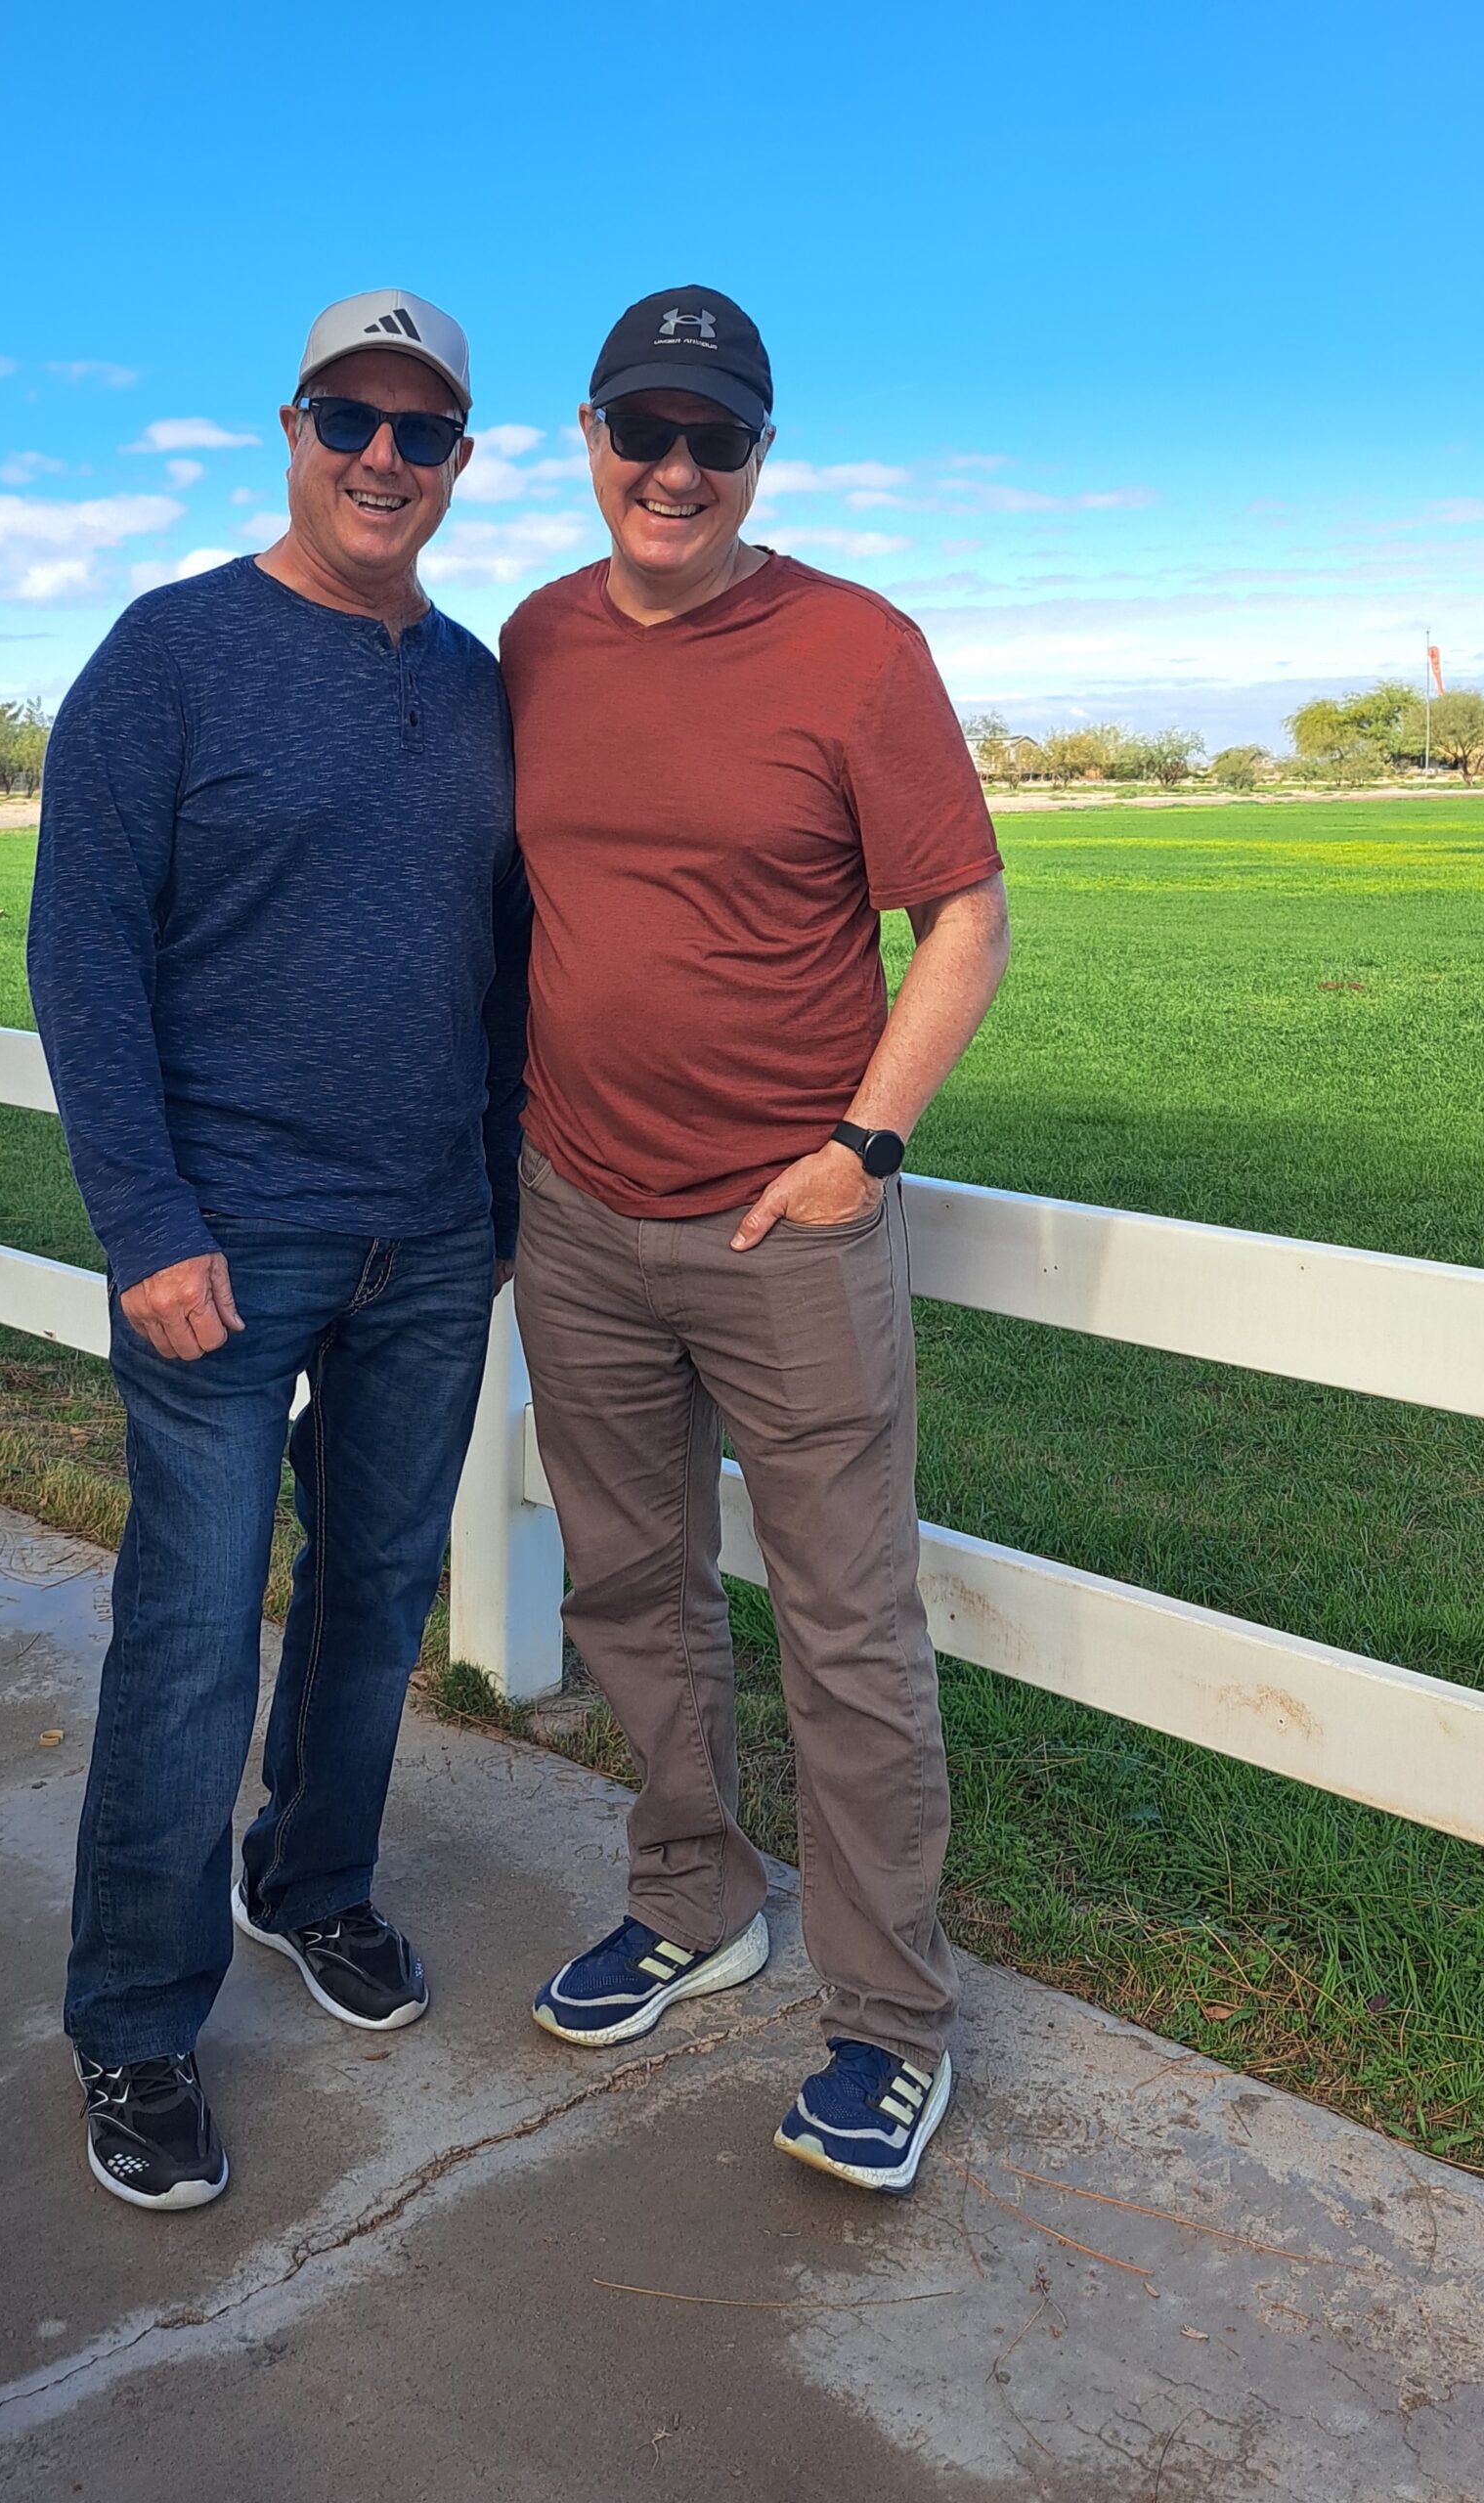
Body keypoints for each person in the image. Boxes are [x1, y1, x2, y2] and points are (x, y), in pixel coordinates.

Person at [502, 287, 1009, 2195]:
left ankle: (886, 2023)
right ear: (588, 437)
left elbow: (965, 917)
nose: (675, 468)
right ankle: (691, 1897)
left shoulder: (856, 650)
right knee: (628, 1590)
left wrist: (863, 1147)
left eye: (713, 437)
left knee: (845, 1630)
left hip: (786, 1225)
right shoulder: (534, 641)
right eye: (643, 429)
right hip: (575, 1207)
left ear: (759, 456)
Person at [28, 288, 528, 2211]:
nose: (383, 459)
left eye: (422, 432)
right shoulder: (168, 652)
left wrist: (491, 1194)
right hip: (222, 1243)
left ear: (460, 460)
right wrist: (146, 1222)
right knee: (189, 1629)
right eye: (349, 420)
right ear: (292, 429)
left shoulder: (477, 681)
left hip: (430, 1241)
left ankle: (309, 1880)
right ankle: (134, 2019)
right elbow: (81, 949)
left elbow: (508, 963)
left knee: (376, 1594)